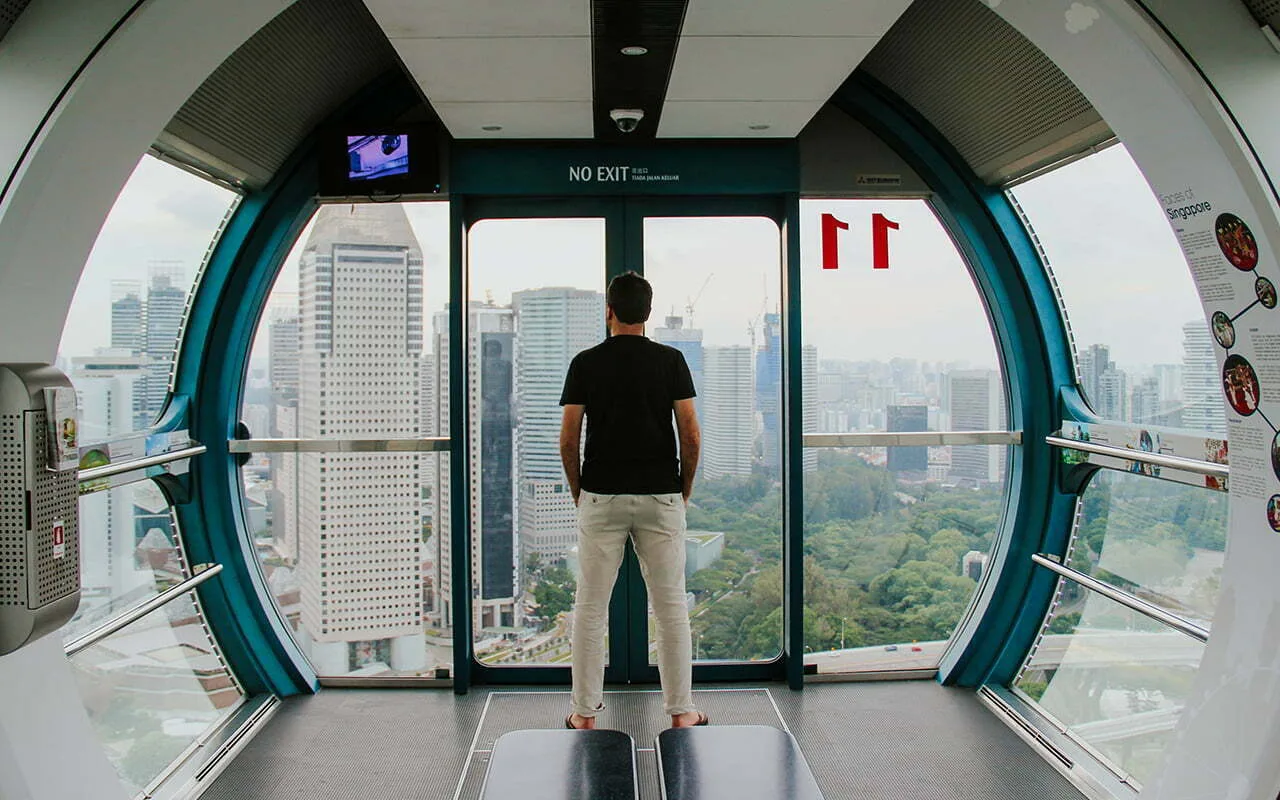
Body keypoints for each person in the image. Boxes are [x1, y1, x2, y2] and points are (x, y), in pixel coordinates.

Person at [558, 271, 707, 731]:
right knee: (669, 607)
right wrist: (683, 489)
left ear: (609, 311)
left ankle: (584, 715)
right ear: (648, 313)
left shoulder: (586, 362)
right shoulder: (671, 360)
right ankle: (681, 712)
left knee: (589, 608)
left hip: (601, 494)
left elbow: (568, 439)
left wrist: (580, 492)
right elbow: (691, 433)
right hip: (660, 493)